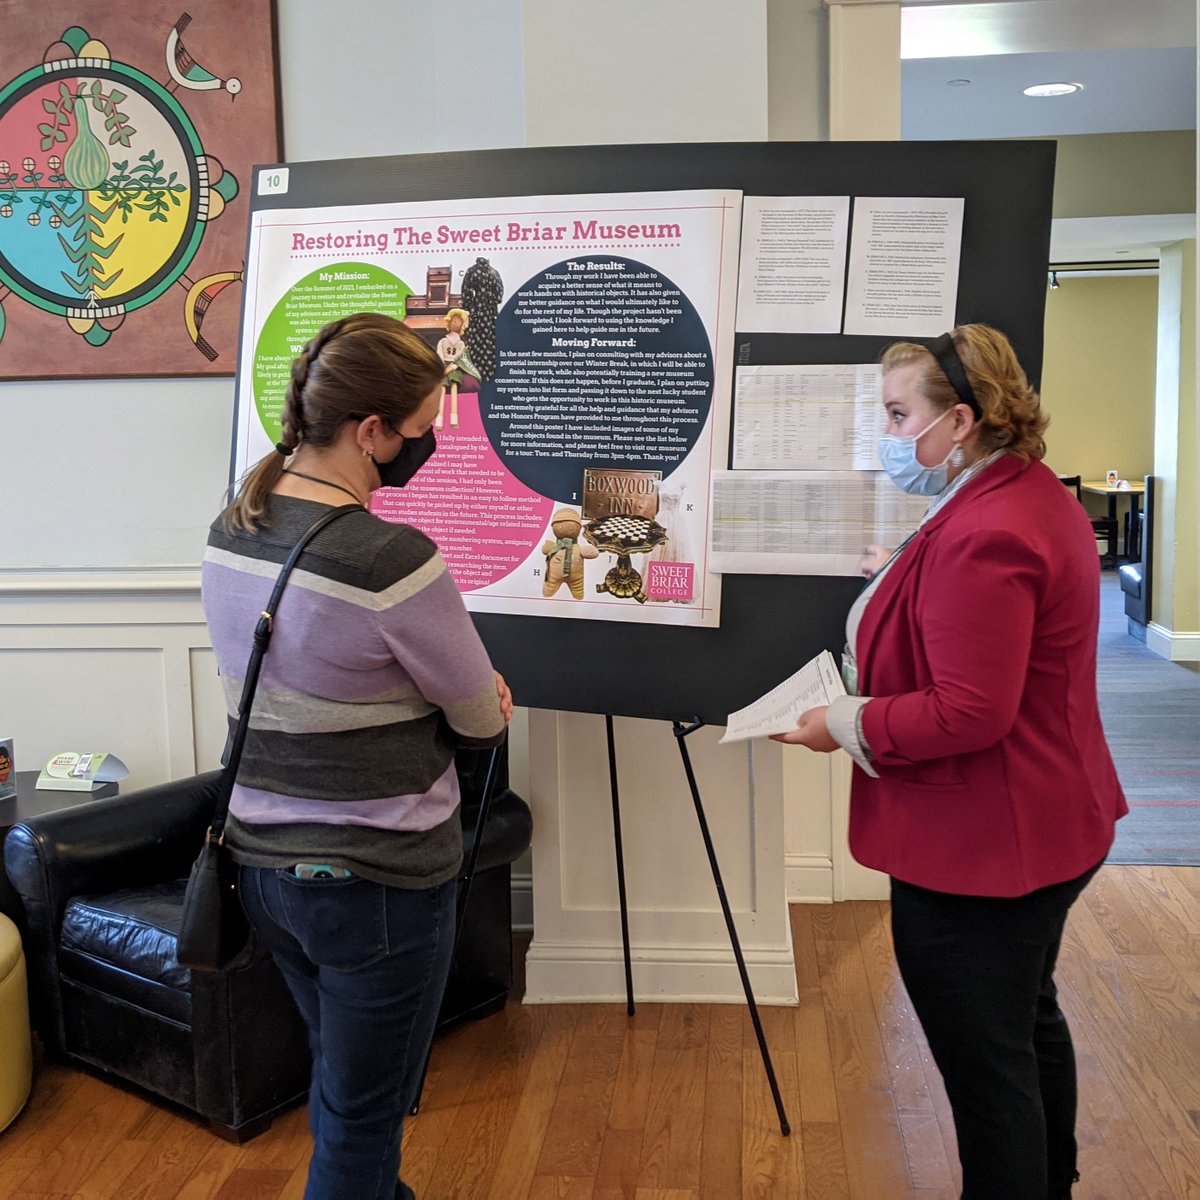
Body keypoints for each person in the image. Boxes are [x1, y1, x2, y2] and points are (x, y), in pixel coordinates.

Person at [772, 324, 1126, 1200]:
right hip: (1052, 818)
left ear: (960, 419)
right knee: (1024, 1023)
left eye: (900, 415)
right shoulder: (1026, 491)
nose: (891, 435)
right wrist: (900, 578)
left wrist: (840, 722)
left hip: (987, 850)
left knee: (986, 1066)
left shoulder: (987, 529)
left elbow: (969, 710)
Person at [201, 312, 513, 1200]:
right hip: (378, 886)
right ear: (370, 431)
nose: (424, 447)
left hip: (261, 871)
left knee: (343, 1079)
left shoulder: (233, 524)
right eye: (418, 431)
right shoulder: (392, 558)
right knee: (360, 1118)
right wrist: (481, 699)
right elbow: (478, 722)